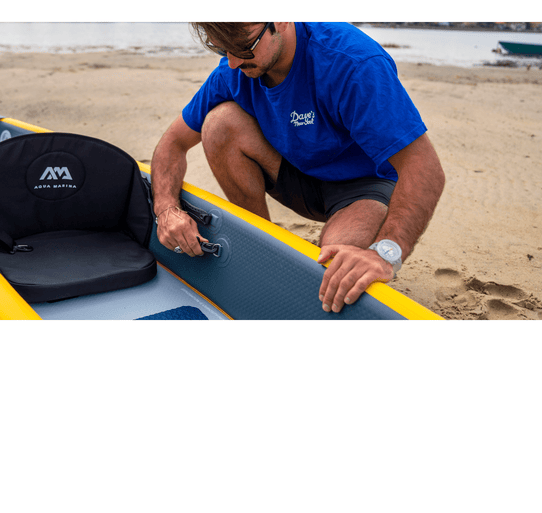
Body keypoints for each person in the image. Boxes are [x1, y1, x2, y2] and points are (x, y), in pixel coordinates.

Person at [150, 22, 445, 313]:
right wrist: (166, 209)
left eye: (244, 47)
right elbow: (173, 143)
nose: (233, 61)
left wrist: (386, 253)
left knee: (331, 270)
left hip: (364, 186)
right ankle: (261, 246)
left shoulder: (351, 62)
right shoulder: (233, 70)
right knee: (218, 124)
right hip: (297, 173)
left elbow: (425, 168)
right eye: (221, 48)